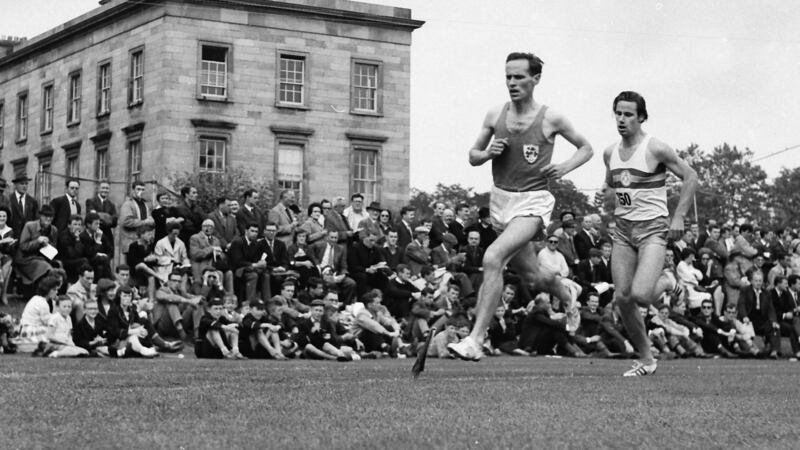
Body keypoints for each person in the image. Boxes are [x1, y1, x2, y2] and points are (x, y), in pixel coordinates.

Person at [447, 52, 593, 362]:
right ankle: (568, 294)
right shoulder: (494, 115)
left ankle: (475, 339)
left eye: (519, 77)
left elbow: (586, 148)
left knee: (493, 257)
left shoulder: (551, 118)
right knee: (534, 277)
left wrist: (564, 168)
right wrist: (488, 153)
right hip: (500, 201)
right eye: (508, 77)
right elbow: (472, 155)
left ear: (535, 79)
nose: (512, 83)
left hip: (533, 202)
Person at [598, 91, 698, 376]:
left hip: (653, 228)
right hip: (623, 231)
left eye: (628, 114)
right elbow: (610, 185)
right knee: (622, 298)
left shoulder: (655, 148)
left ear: (641, 117)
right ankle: (647, 360)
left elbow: (690, 177)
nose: (621, 119)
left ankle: (666, 281)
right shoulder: (610, 153)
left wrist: (679, 215)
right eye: (618, 113)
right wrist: (610, 205)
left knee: (640, 296)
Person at [85, 181, 118, 261]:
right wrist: (107, 217)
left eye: (107, 188)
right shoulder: (91, 201)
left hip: (107, 235)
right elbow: (92, 217)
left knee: (106, 259)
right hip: (94, 234)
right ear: (98, 189)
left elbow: (114, 221)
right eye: (103, 188)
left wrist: (100, 216)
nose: (105, 190)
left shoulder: (111, 204)